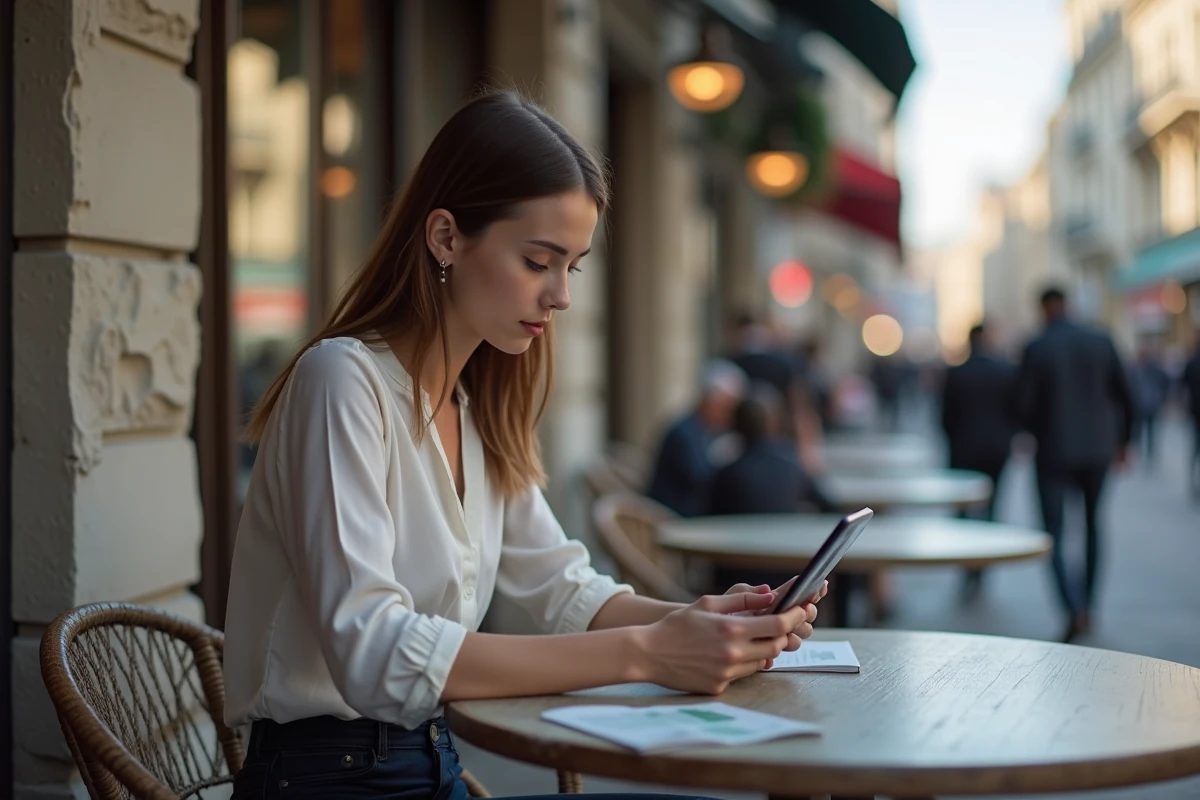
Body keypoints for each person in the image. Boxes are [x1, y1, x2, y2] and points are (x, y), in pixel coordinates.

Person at [222, 92, 825, 800]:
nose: (561, 295)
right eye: (539, 260)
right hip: (325, 778)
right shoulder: (341, 381)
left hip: (431, 759)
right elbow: (372, 651)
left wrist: (708, 621)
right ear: (445, 237)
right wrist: (648, 653)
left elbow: (565, 590)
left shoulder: (478, 408)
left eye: (573, 266)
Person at [1013, 287, 1135, 643]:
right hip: (1098, 450)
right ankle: (1089, 603)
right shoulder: (1101, 340)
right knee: (1094, 524)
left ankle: (1073, 607)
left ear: (1043, 308)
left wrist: (1031, 430)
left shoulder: (1037, 346)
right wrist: (1124, 442)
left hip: (1053, 451)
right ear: (1068, 305)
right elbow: (1126, 395)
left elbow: (1023, 403)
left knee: (1054, 532)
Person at [939, 322, 1018, 602]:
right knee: (992, 508)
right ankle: (982, 565)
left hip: (963, 449)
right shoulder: (1005, 370)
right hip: (997, 450)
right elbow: (1016, 410)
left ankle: (967, 565)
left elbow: (945, 416)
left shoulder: (957, 372)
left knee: (963, 511)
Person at [645, 360, 747, 517]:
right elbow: (701, 479)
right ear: (710, 401)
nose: (730, 416)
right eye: (727, 407)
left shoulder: (699, 429)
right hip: (673, 519)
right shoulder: (685, 433)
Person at [1130, 341, 1172, 467]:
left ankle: (1146, 452)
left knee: (1146, 429)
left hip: (1146, 404)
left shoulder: (1139, 369)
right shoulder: (1137, 369)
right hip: (1147, 404)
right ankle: (1145, 452)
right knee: (1146, 429)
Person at [1182, 332, 1200, 499]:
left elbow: (1183, 384)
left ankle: (1193, 481)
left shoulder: (1192, 362)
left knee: (1195, 448)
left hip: (1195, 411)